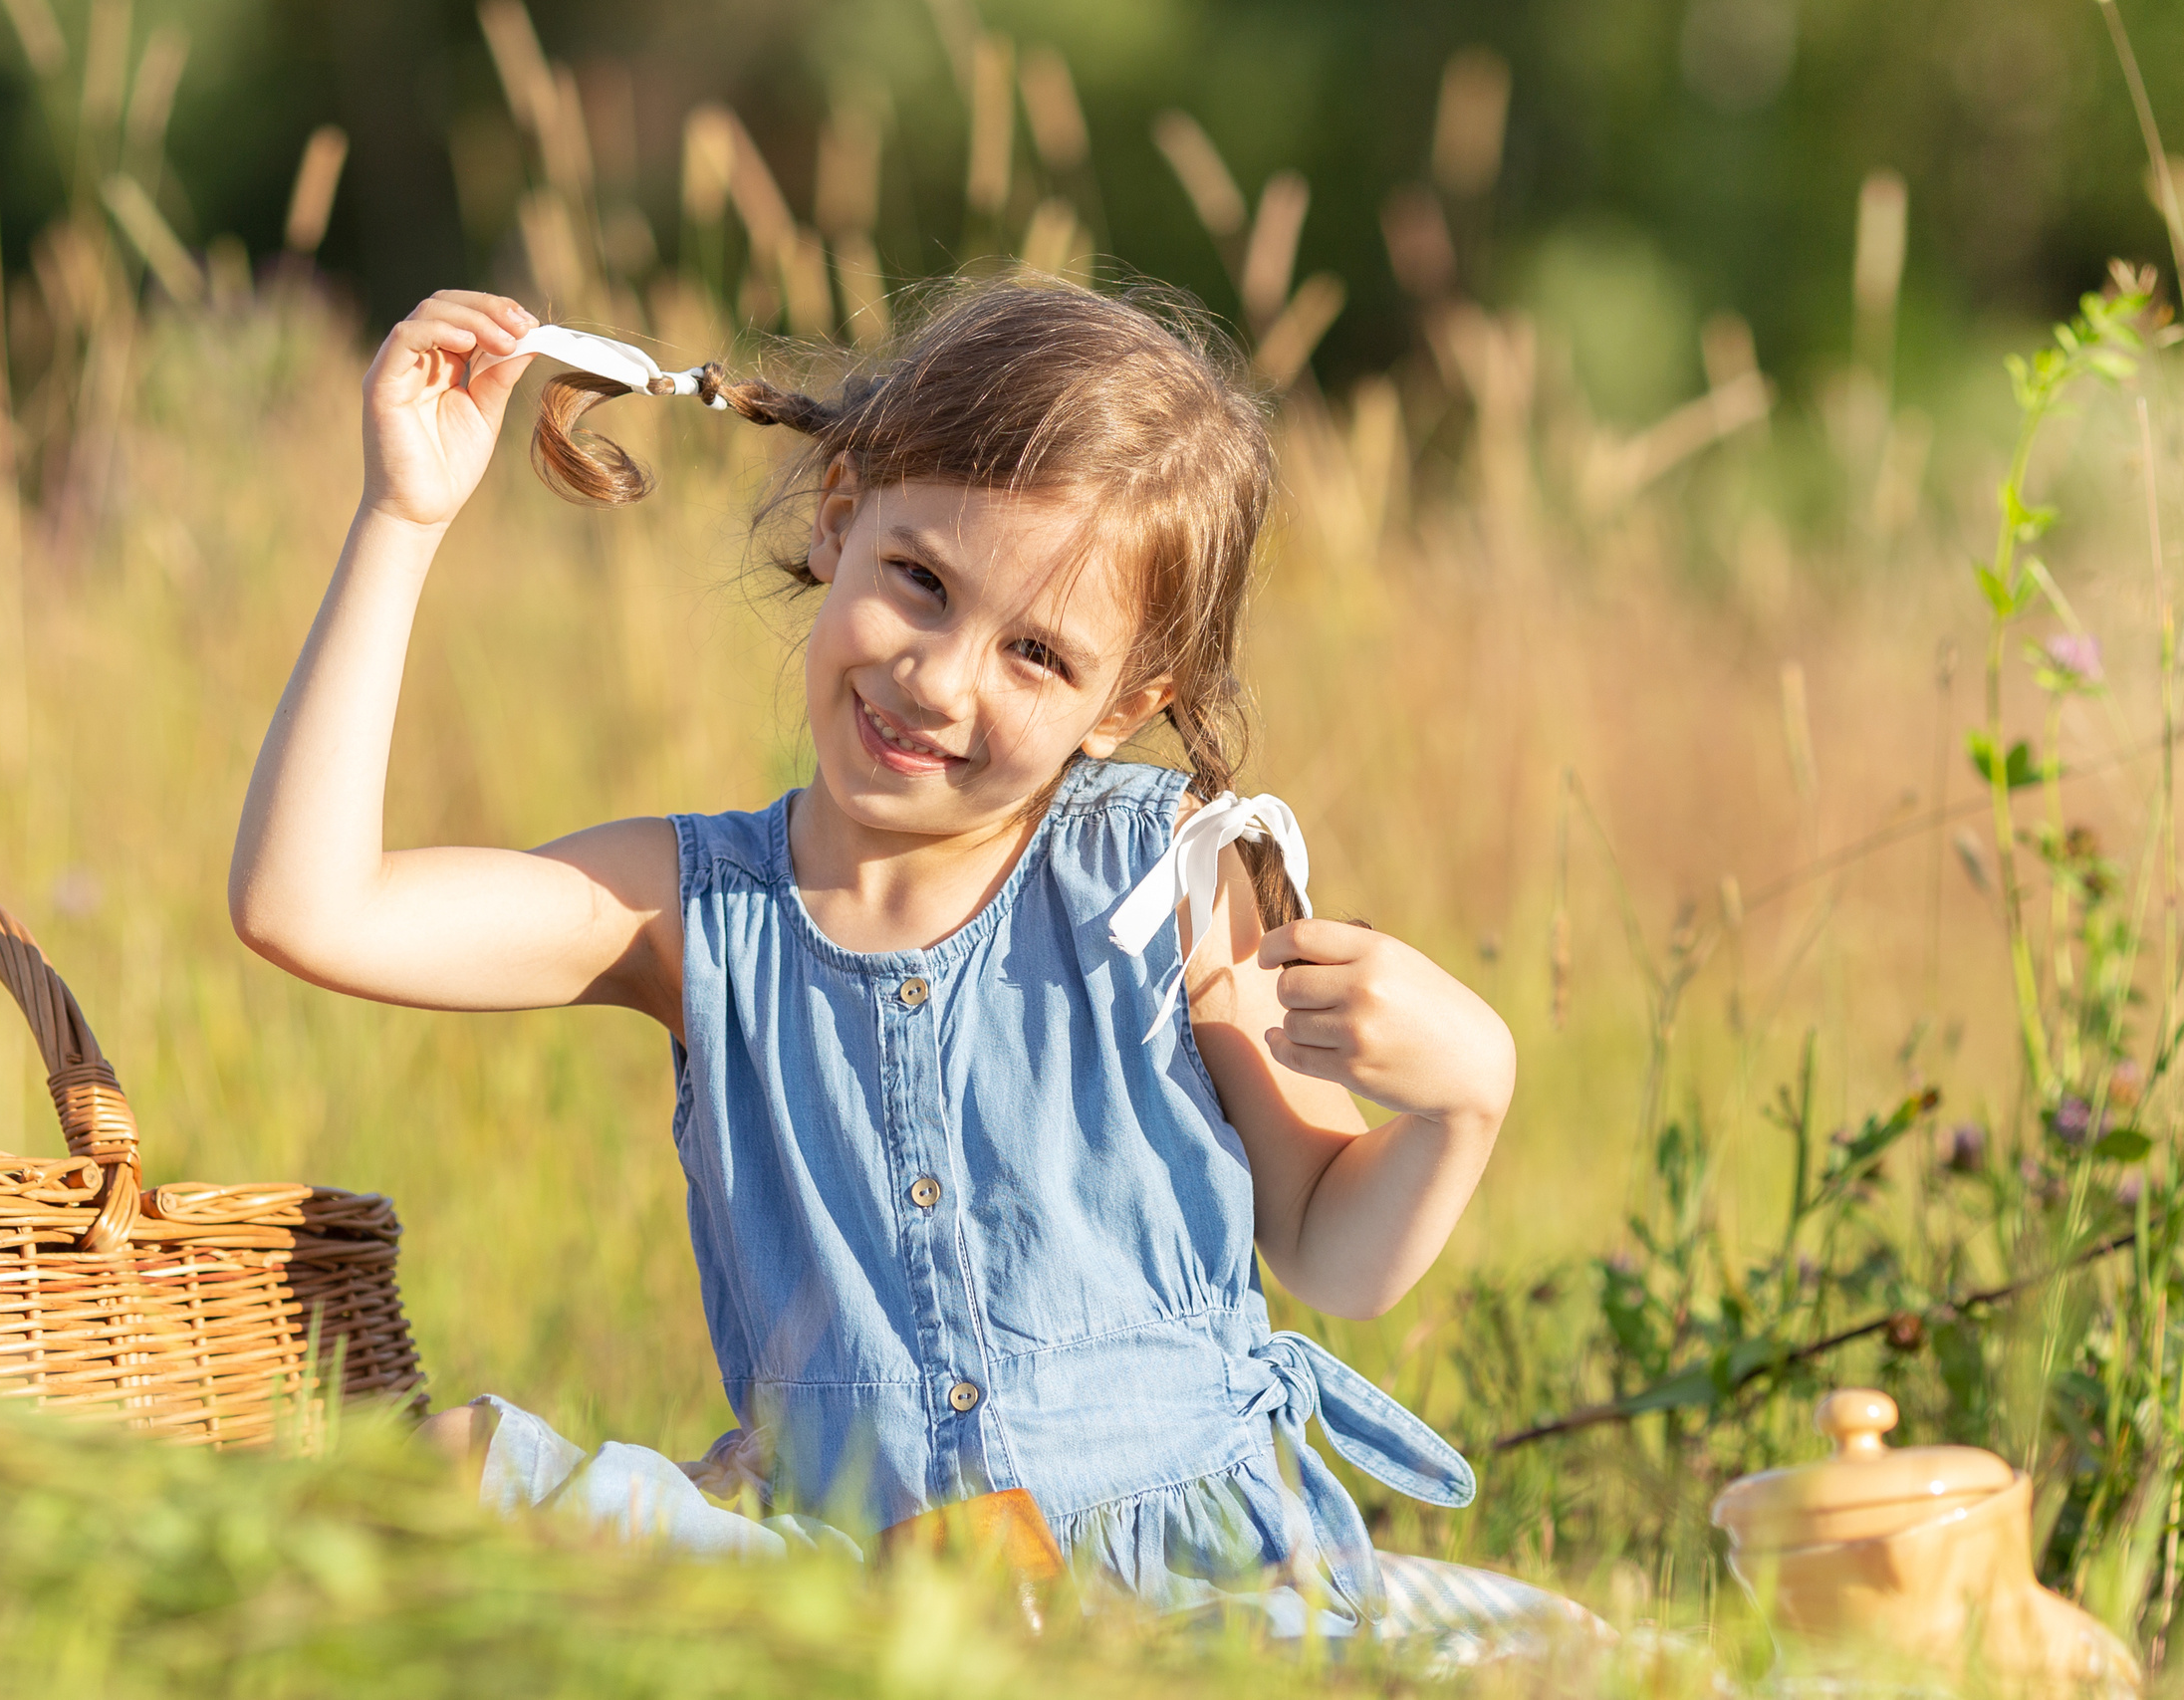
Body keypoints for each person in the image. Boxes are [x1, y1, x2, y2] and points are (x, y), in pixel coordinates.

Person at [228, 274, 1585, 1649]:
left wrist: (1470, 1095)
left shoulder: (1155, 882)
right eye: (920, 582)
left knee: (1564, 1662)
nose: (940, 679)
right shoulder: (690, 912)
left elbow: (1333, 1253)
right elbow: (312, 908)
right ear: (839, 521)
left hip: (1196, 1609)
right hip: (858, 1605)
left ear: (1123, 705)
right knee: (461, 1465)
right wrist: (404, 517)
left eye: (1037, 655)